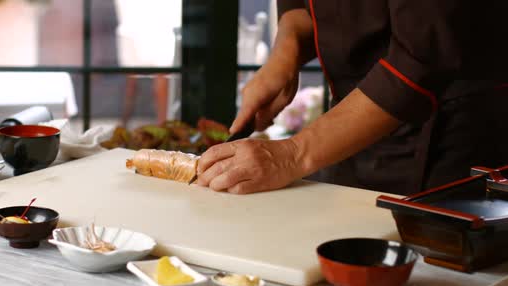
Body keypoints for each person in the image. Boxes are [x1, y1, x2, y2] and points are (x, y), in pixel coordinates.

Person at [197, 0, 508, 195]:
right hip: (348, 132)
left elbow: (423, 55)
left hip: (452, 136)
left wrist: (291, 154)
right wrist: (286, 50)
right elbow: (307, 10)